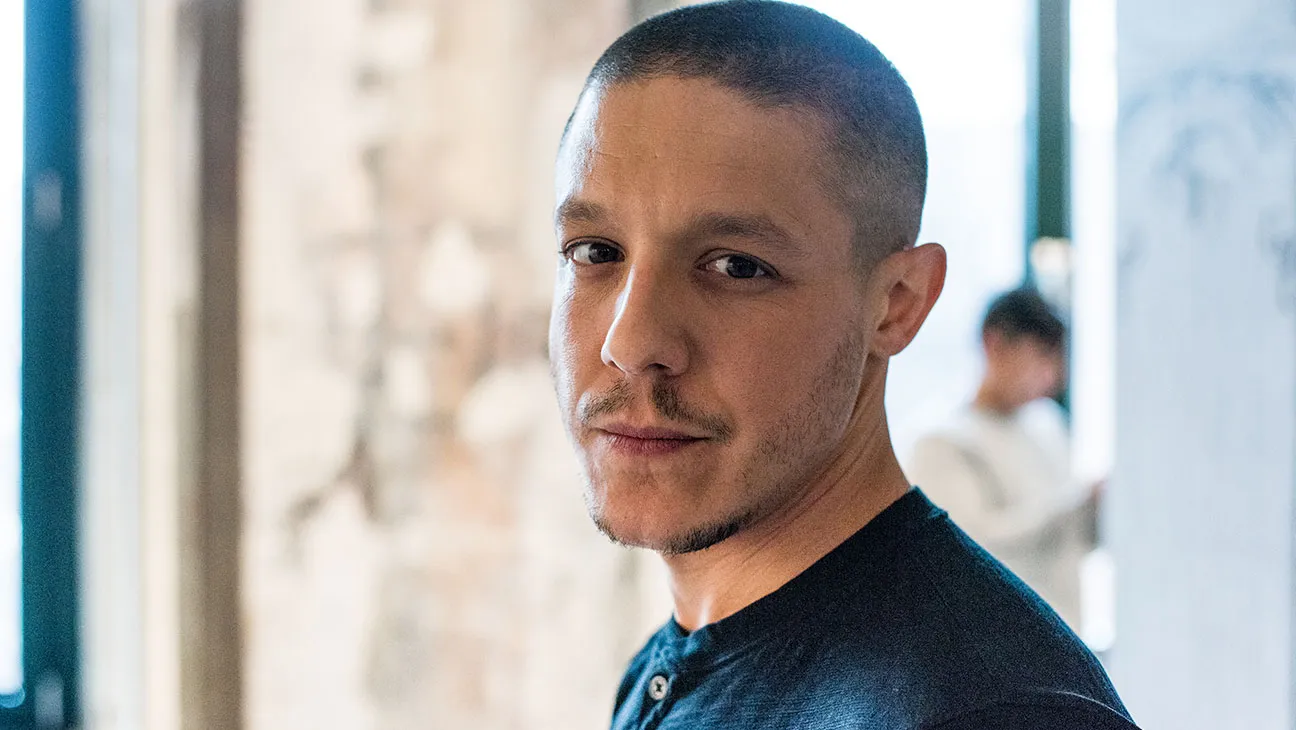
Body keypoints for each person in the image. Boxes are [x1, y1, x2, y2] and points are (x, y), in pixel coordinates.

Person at [546, 3, 1137, 728]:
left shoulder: (991, 713)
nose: (630, 341)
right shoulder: (671, 667)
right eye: (594, 252)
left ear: (896, 304)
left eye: (736, 266)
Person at [905, 288, 1099, 631]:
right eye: (1039, 355)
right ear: (994, 344)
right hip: (994, 639)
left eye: (1056, 359)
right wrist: (1076, 506)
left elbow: (1073, 542)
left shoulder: (1048, 424)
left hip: (1066, 631)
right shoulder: (942, 442)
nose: (1051, 376)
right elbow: (972, 553)